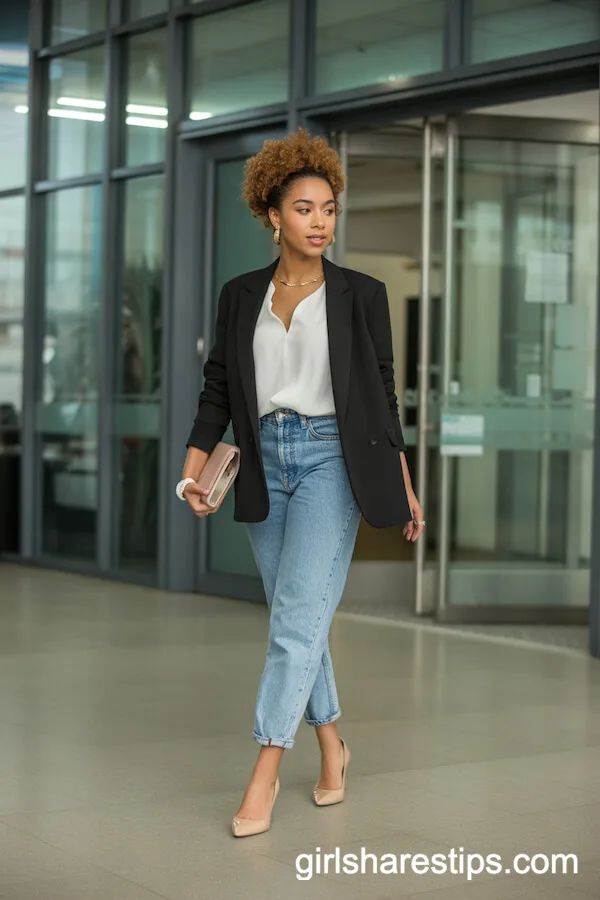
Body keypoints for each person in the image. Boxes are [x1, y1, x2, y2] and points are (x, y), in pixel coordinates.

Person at [177, 128, 424, 838]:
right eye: (305, 209)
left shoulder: (361, 294)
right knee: (298, 615)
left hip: (332, 462)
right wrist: (191, 474)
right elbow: (217, 389)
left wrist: (404, 484)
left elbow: (383, 397)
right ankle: (331, 745)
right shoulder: (241, 295)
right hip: (263, 464)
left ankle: (263, 772)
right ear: (272, 215)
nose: (321, 222)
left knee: (292, 621)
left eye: (330, 209)